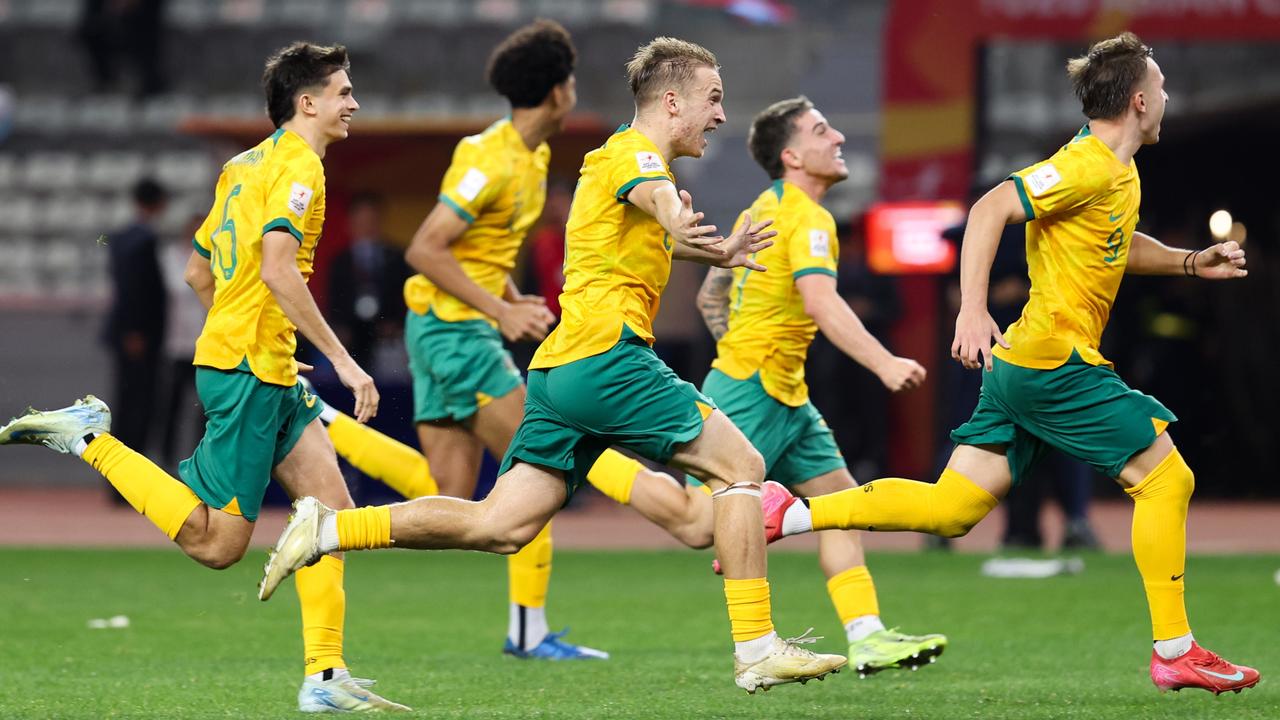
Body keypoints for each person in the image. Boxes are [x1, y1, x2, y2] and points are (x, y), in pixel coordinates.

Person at [260, 37, 846, 695]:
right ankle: (757, 647)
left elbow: (627, 239)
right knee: (741, 468)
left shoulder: (604, 161)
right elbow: (652, 198)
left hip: (561, 371)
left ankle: (330, 527)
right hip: (606, 359)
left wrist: (711, 251)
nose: (719, 115)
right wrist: (675, 222)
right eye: (713, 99)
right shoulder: (633, 157)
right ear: (673, 100)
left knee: (498, 525)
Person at [759, 33, 1260, 694]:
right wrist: (970, 308)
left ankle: (786, 514)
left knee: (950, 509)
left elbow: (1117, 245)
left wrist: (1191, 261)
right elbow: (990, 207)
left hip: (1026, 364)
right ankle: (1175, 649)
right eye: (1162, 88)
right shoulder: (1084, 165)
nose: (1167, 98)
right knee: (1167, 481)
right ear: (1140, 100)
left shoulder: (1118, 171)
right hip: (1055, 361)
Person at [0, 42, 408, 712]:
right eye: (343, 92)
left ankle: (325, 679)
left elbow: (200, 272)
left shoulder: (243, 165)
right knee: (219, 546)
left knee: (329, 513)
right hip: (248, 371)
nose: (353, 103)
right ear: (308, 103)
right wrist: (340, 357)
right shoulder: (302, 165)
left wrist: (254, 331)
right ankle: (89, 438)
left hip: (256, 361)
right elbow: (278, 269)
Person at [583, 97, 946, 677]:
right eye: (823, 130)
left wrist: (740, 335)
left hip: (784, 391)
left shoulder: (766, 208)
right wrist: (882, 362)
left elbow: (710, 295)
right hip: (751, 389)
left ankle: (869, 636)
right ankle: (592, 459)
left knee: (841, 505)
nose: (839, 138)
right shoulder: (809, 216)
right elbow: (821, 300)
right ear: (792, 155)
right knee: (699, 525)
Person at [309, 20, 605, 660]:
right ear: (557, 91)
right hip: (455, 333)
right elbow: (425, 247)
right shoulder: (487, 156)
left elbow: (479, 249)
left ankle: (326, 482)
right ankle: (529, 630)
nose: (574, 90)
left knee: (445, 495)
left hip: (454, 328)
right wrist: (500, 310)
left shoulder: (536, 156)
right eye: (571, 80)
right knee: (544, 457)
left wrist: (506, 292)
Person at [102, 178, 169, 466]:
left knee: (128, 403)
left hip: (129, 333)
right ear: (158, 203)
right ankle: (127, 473)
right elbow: (134, 289)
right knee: (138, 405)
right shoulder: (144, 240)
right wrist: (135, 331)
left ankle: (118, 473)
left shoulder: (120, 236)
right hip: (140, 336)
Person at [326, 193, 410, 372]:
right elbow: (333, 299)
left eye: (371, 220)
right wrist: (339, 329)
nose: (367, 227)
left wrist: (397, 324)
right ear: (350, 223)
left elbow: (406, 295)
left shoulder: (397, 256)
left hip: (389, 339)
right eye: (361, 221)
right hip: (350, 339)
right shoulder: (339, 261)